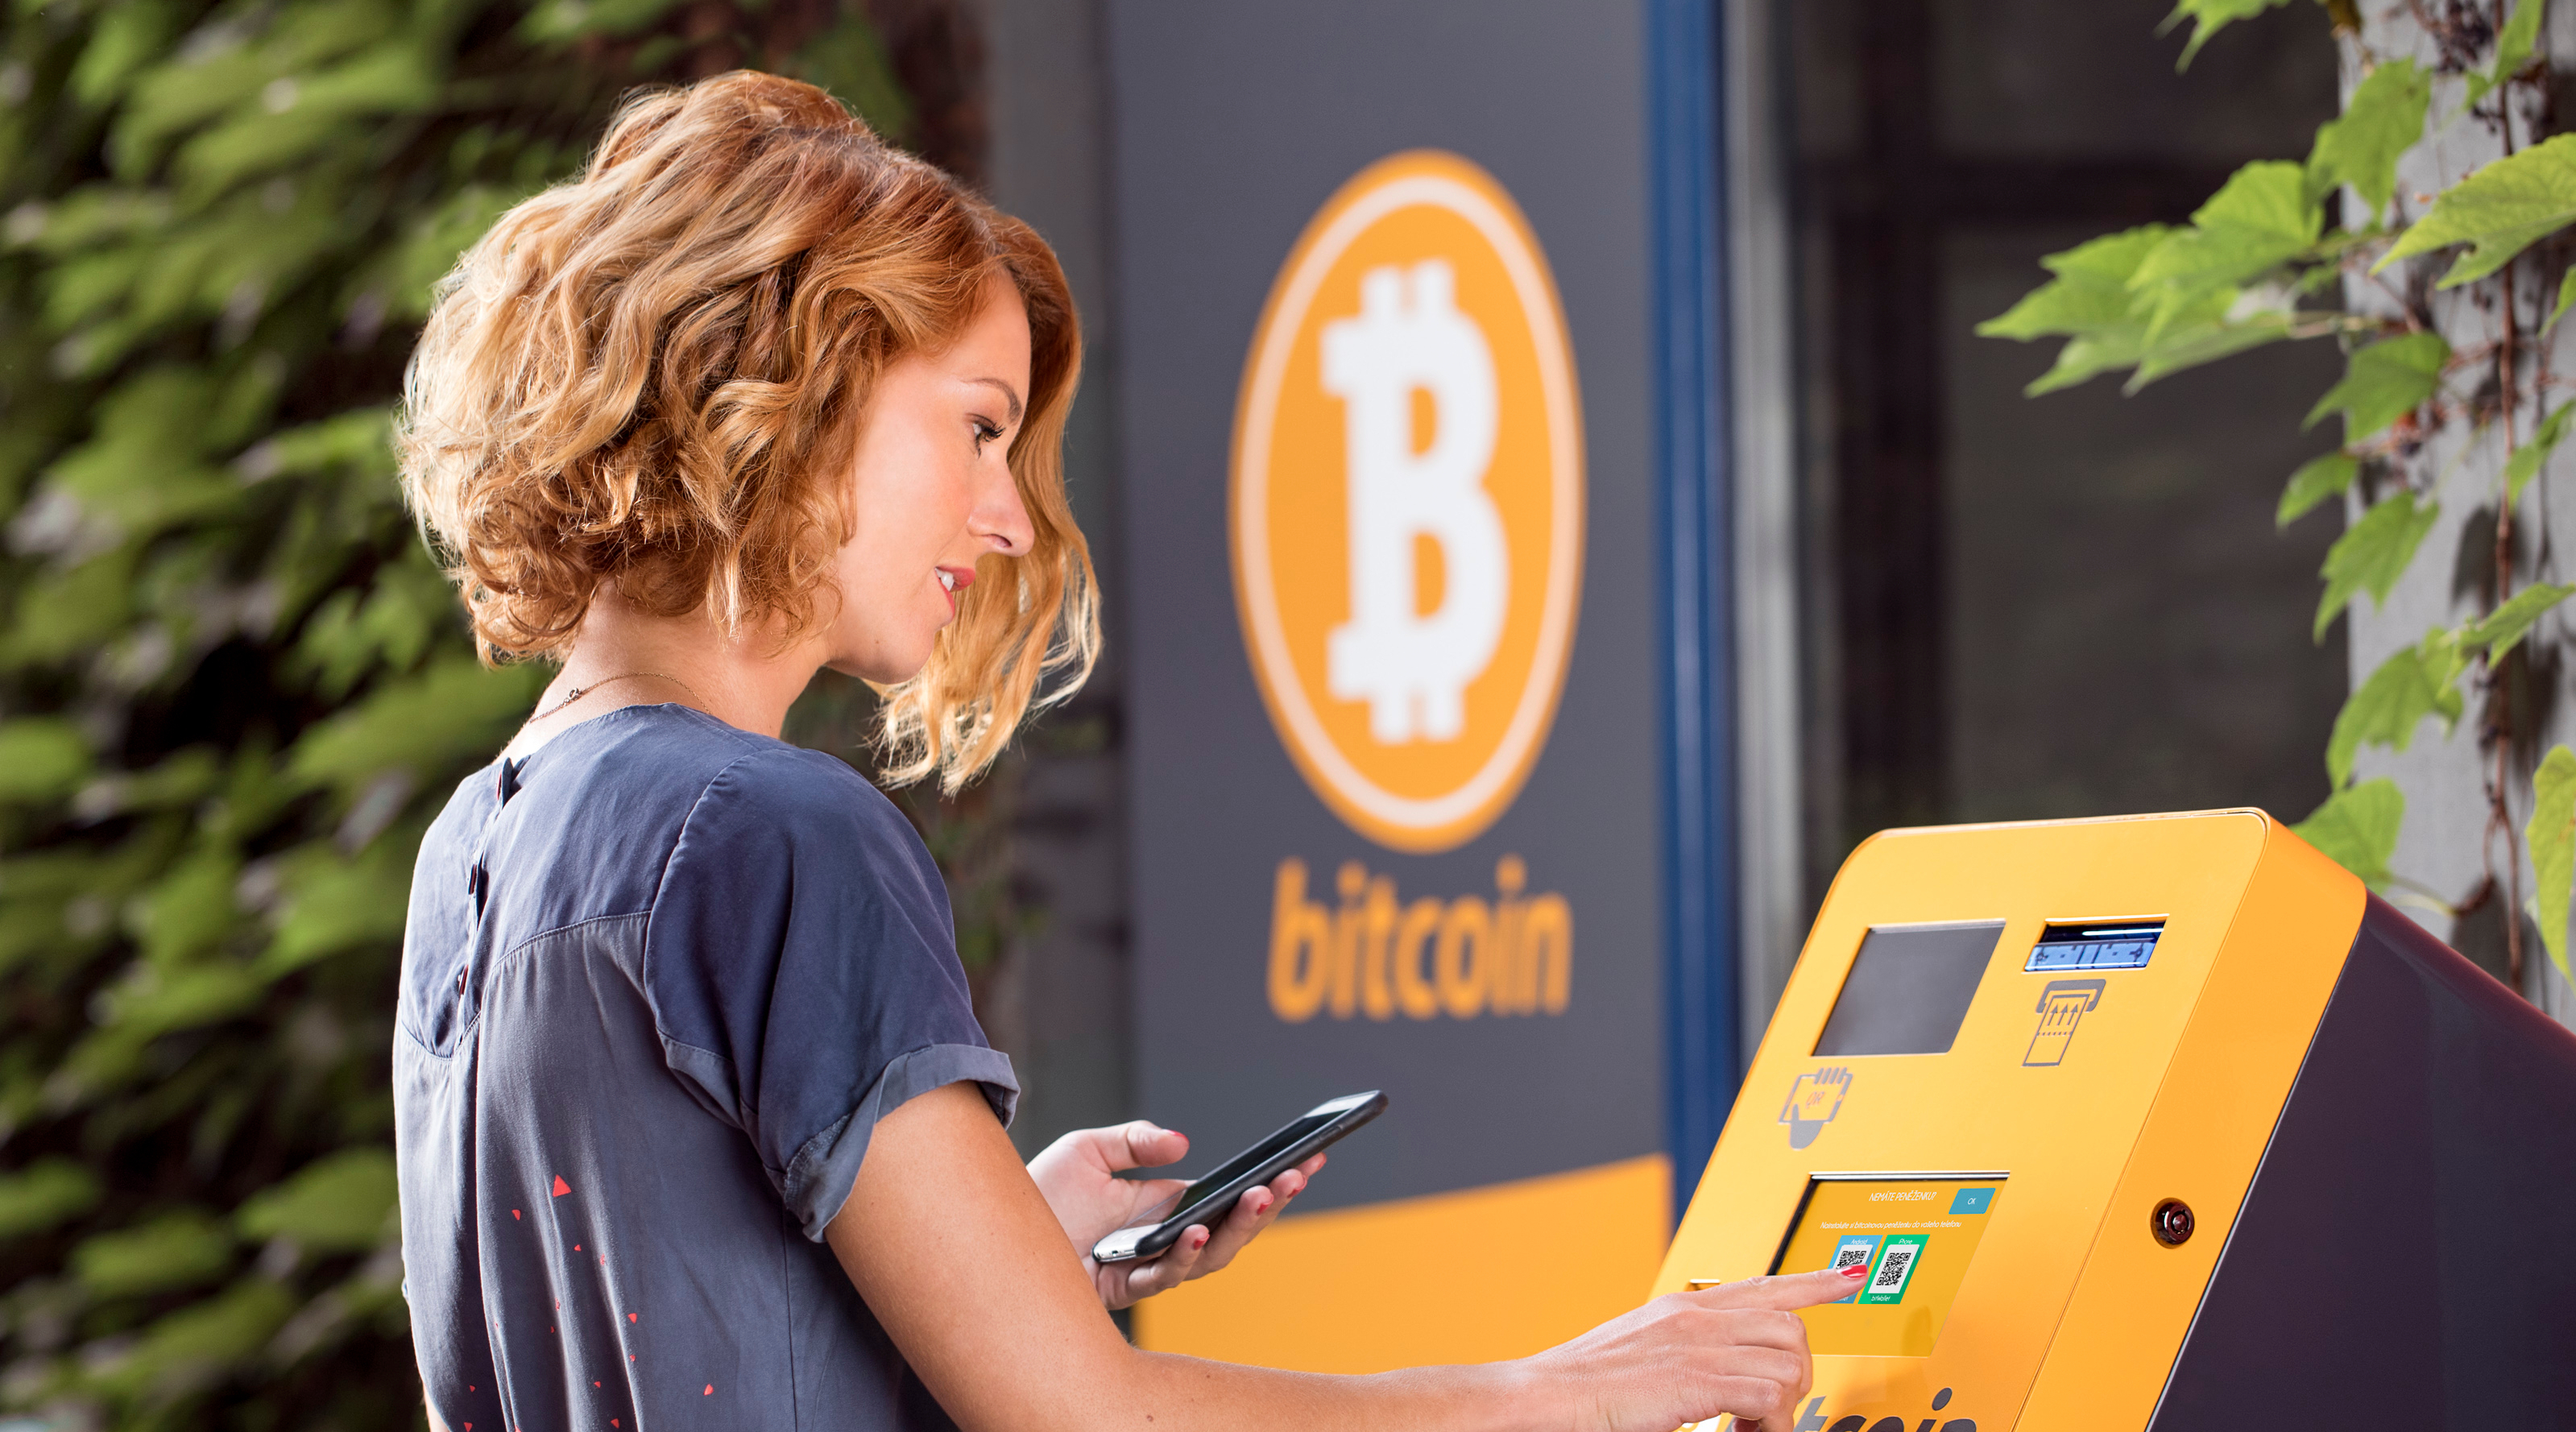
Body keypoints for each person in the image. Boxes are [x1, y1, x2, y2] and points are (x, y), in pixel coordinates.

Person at [388, 69, 1859, 1432]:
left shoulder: (478, 847)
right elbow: (1091, 1418)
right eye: (978, 428)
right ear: (795, 381)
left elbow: (655, 1315)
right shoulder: (772, 834)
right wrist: (1561, 1392)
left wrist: (1001, 1254)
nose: (1009, 517)